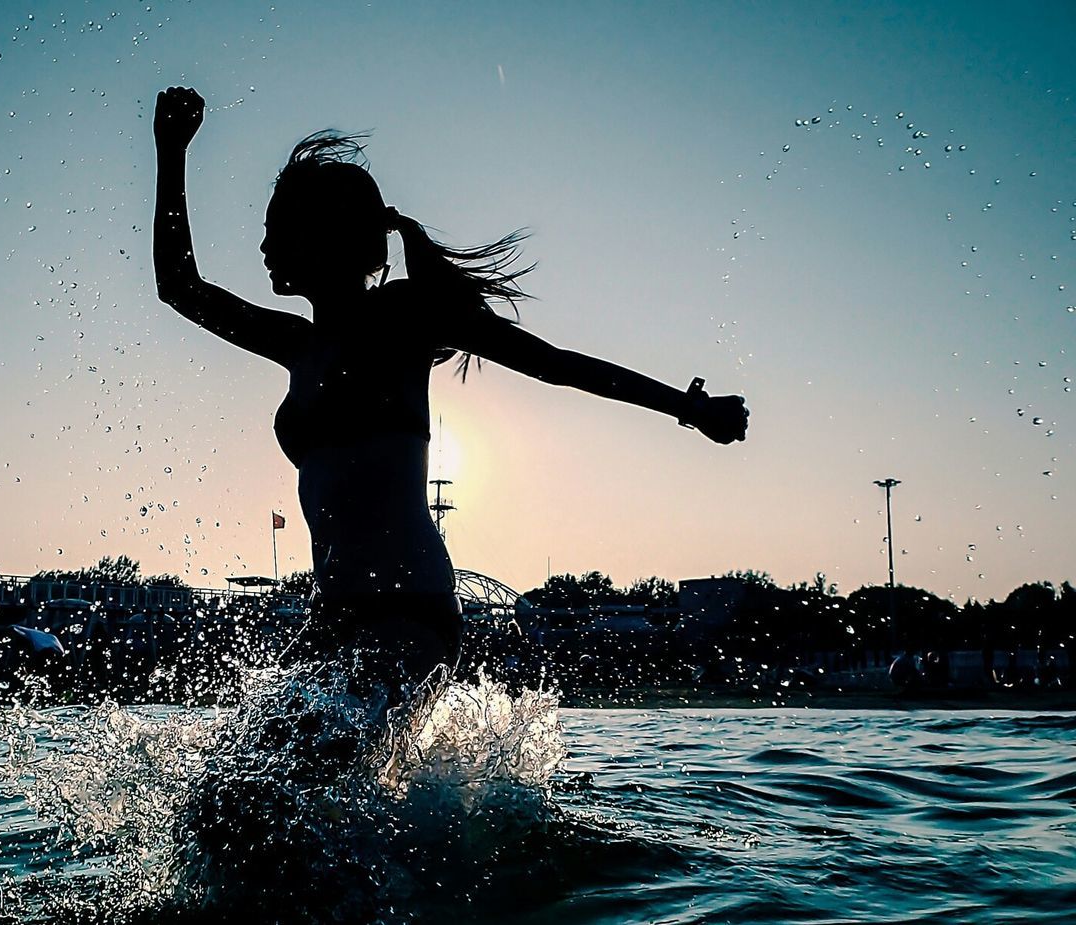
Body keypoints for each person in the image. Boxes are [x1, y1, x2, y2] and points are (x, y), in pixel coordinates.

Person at [153, 87, 749, 705]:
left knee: (289, 779)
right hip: (331, 620)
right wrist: (172, 155)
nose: (264, 248)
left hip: (410, 613)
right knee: (230, 795)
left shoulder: (405, 316)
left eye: (278, 231)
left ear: (326, 236)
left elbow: (554, 365)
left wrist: (689, 407)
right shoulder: (295, 344)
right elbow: (178, 286)